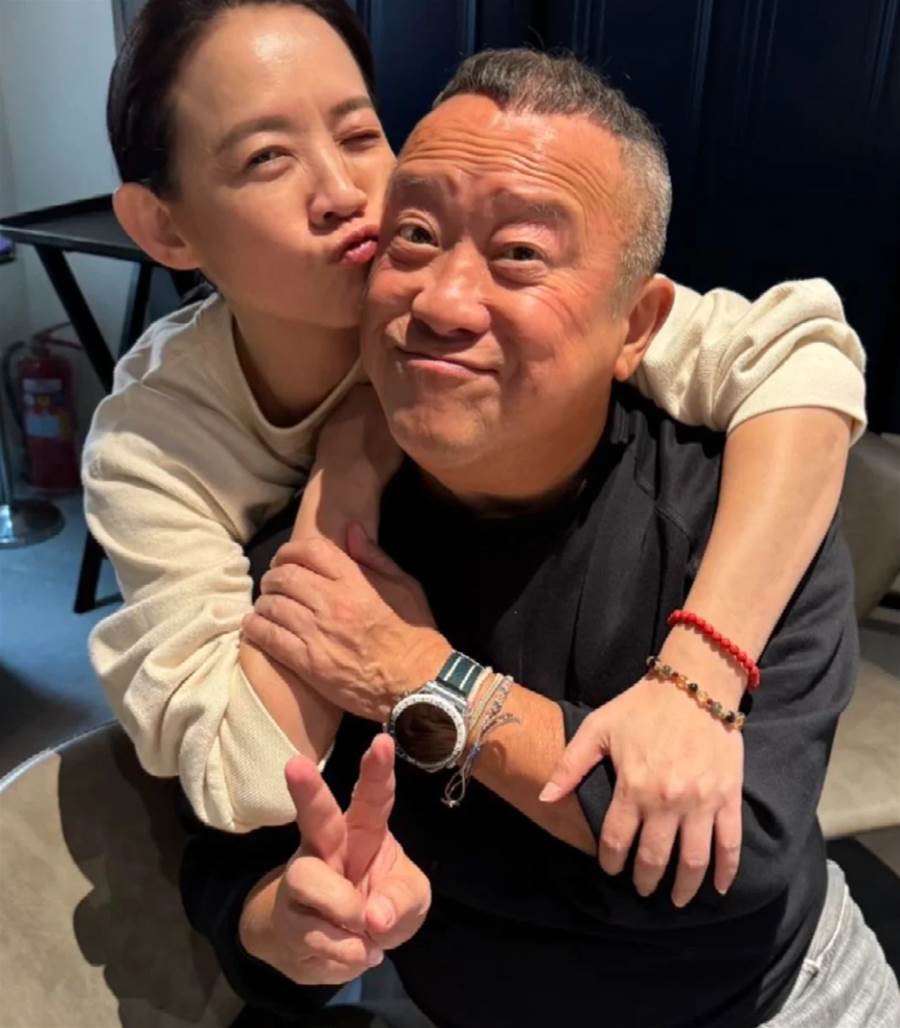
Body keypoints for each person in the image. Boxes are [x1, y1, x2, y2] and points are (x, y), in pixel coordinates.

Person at [185, 50, 899, 1028]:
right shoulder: (317, 546)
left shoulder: (735, 513)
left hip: (775, 999)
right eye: (414, 235)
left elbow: (740, 852)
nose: (440, 303)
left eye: (519, 252)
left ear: (637, 324)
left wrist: (421, 675)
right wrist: (291, 924)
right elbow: (232, 859)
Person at [85, 0, 865, 894]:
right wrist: (343, 486)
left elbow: (802, 359)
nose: (344, 192)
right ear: (165, 227)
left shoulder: (497, 317)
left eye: (359, 133)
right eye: (267, 157)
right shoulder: (154, 445)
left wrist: (699, 668)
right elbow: (245, 779)